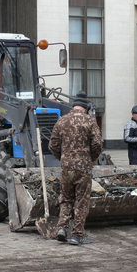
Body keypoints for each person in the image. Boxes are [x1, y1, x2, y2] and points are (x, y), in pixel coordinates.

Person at [48, 95, 104, 246]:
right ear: (85, 108)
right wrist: (90, 157)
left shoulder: (62, 120)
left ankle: (62, 228)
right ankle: (77, 235)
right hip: (83, 167)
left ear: (73, 107)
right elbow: (98, 143)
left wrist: (63, 157)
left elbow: (53, 144)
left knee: (66, 198)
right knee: (81, 200)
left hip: (66, 167)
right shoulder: (90, 120)